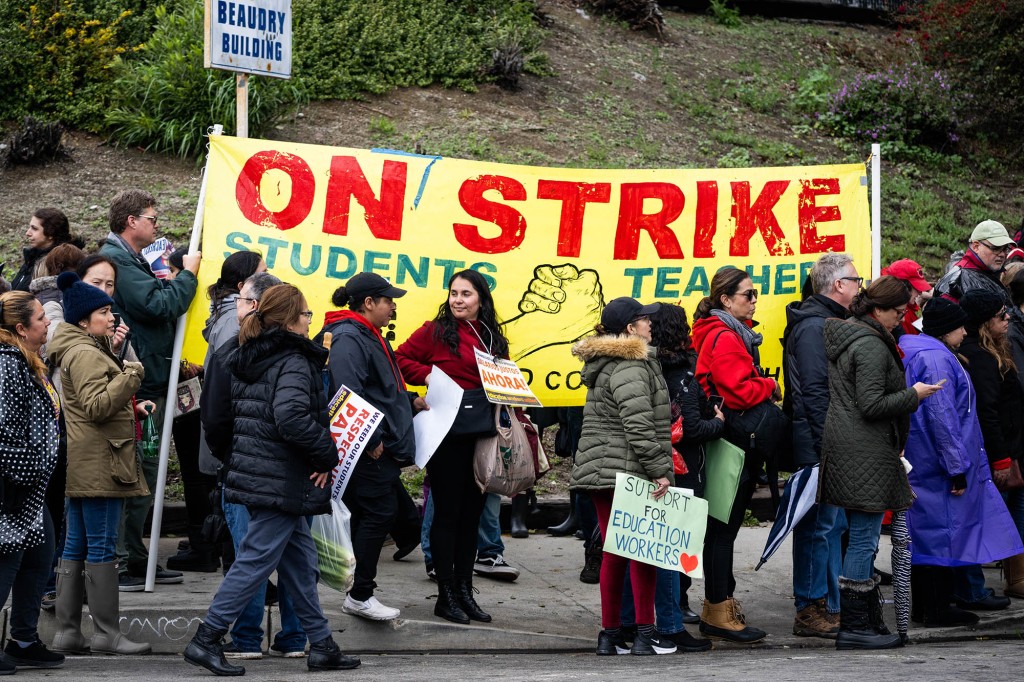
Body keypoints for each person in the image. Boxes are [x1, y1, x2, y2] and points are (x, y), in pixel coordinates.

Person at [184, 284, 359, 675]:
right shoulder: (293, 360)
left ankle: (323, 644)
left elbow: (234, 416)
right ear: (291, 319)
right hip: (282, 476)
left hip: (262, 471)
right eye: (307, 314)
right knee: (255, 560)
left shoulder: (252, 354)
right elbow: (292, 417)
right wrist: (326, 454)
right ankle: (206, 638)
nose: (311, 320)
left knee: (300, 562)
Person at [820, 275, 942, 650]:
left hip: (850, 447)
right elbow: (872, 405)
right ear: (878, 310)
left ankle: (864, 623)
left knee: (861, 537)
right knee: (863, 540)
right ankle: (856, 627)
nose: (902, 320)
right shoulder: (870, 345)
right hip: (864, 451)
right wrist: (914, 395)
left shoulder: (853, 334)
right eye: (898, 312)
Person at [201, 271, 307, 659]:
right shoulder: (302, 355)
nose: (237, 306)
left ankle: (244, 638)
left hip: (247, 471)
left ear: (261, 307)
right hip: (290, 474)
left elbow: (215, 416)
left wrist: (232, 454)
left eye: (243, 300)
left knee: (252, 556)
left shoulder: (235, 351)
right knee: (293, 560)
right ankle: (297, 639)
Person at [900, 297, 1024, 627]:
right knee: (941, 533)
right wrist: (957, 468)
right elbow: (944, 419)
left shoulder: (922, 350)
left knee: (930, 534)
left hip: (925, 460)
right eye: (959, 327)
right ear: (945, 330)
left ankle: (928, 606)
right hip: (938, 464)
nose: (965, 331)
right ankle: (936, 608)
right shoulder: (937, 359)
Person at [395, 270, 510, 625]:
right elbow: (398, 359)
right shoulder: (435, 330)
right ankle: (445, 595)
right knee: (447, 514)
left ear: (481, 299)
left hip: (482, 433)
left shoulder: (492, 336)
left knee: (472, 516)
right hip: (446, 434)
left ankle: (464, 590)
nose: (458, 300)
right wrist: (427, 375)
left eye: (466, 294)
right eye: (453, 293)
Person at [48, 273, 152, 656]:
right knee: (103, 546)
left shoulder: (77, 348)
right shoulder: (88, 353)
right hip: (104, 463)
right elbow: (96, 406)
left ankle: (68, 632)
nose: (111, 317)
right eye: (103, 312)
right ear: (82, 320)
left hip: (85, 460)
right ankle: (107, 633)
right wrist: (131, 374)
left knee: (75, 545)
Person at [100, 190, 200, 589]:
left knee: (149, 474)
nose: (157, 226)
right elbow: (159, 306)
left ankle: (137, 559)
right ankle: (126, 564)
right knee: (141, 473)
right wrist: (189, 274)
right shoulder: (121, 261)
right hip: (143, 385)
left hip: (152, 378)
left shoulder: (129, 259)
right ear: (131, 221)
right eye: (152, 218)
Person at [570, 296, 677, 656]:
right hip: (629, 472)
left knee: (614, 552)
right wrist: (661, 471)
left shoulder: (606, 361)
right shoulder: (632, 365)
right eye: (645, 319)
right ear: (631, 328)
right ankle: (645, 635)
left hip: (603, 472)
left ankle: (609, 635)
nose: (651, 324)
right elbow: (639, 426)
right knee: (642, 553)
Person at [321, 273, 426, 621]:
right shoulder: (351, 337)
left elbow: (380, 386)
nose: (393, 306)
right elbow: (348, 391)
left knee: (373, 512)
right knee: (379, 512)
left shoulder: (366, 334)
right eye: (388, 300)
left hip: (374, 442)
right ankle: (359, 594)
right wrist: (374, 439)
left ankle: (350, 585)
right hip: (366, 446)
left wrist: (408, 400)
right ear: (369, 303)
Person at [617, 302, 715, 652]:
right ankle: (670, 626)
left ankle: (628, 624)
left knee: (636, 548)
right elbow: (672, 427)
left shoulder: (630, 364)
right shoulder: (667, 371)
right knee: (667, 549)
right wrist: (718, 421)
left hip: (639, 465)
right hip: (669, 467)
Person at [691, 267, 778, 643]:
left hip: (721, 440)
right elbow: (739, 392)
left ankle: (719, 605)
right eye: (748, 293)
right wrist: (771, 384)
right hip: (733, 443)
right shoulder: (726, 337)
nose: (754, 300)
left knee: (717, 528)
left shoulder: (716, 331)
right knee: (722, 531)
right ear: (726, 300)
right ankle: (718, 609)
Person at [168, 250, 267, 575]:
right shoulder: (232, 322)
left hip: (222, 424)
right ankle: (238, 574)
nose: (268, 278)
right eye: (261, 273)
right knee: (227, 506)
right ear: (242, 286)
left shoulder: (226, 315)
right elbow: (230, 382)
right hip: (228, 428)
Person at [782, 253, 860, 638]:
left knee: (832, 523)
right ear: (838, 286)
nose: (860, 286)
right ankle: (811, 608)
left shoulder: (827, 321)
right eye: (856, 279)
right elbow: (815, 391)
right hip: (819, 439)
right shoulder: (815, 327)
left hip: (827, 437)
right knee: (818, 525)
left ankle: (828, 603)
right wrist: (826, 443)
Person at [0, 290, 65, 671]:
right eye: (41, 317)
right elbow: (3, 429)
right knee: (8, 562)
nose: (47, 322)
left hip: (30, 487)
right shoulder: (7, 365)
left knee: (41, 556)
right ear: (22, 328)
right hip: (13, 487)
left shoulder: (27, 360)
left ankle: (23, 639)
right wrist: (26, 473)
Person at [953, 289, 1020, 611]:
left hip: (1002, 450)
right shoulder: (978, 357)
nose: (1008, 320)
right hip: (991, 455)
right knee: (981, 521)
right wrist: (1002, 459)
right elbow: (987, 413)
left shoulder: (989, 350)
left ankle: (984, 584)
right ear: (984, 322)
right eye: (1000, 316)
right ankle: (972, 589)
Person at [935, 220, 1014, 305]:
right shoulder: (959, 279)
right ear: (976, 247)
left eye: (1005, 249)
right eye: (996, 248)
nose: (1002, 254)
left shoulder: (988, 271)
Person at [11, 208, 84, 292]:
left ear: (51, 234)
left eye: (34, 228)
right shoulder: (33, 256)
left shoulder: (58, 264)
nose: (28, 233)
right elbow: (18, 289)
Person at [882, 259, 933, 339]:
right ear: (903, 286)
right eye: (916, 288)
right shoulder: (891, 313)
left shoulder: (907, 307)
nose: (920, 292)